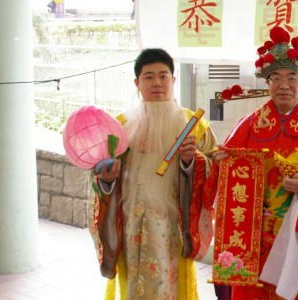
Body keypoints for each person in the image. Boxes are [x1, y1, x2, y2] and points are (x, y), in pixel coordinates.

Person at [211, 26, 298, 299]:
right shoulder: (250, 124)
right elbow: (221, 175)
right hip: (254, 242)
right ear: (267, 83)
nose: (283, 85)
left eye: (292, 77)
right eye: (275, 77)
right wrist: (218, 164)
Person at [89, 48, 218, 299]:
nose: (157, 83)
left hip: (173, 227)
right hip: (130, 224)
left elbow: (217, 169)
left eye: (163, 76)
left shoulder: (194, 124)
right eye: (149, 77)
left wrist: (192, 163)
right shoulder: (120, 126)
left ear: (173, 79)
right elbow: (98, 174)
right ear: (137, 83)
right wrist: (105, 180)